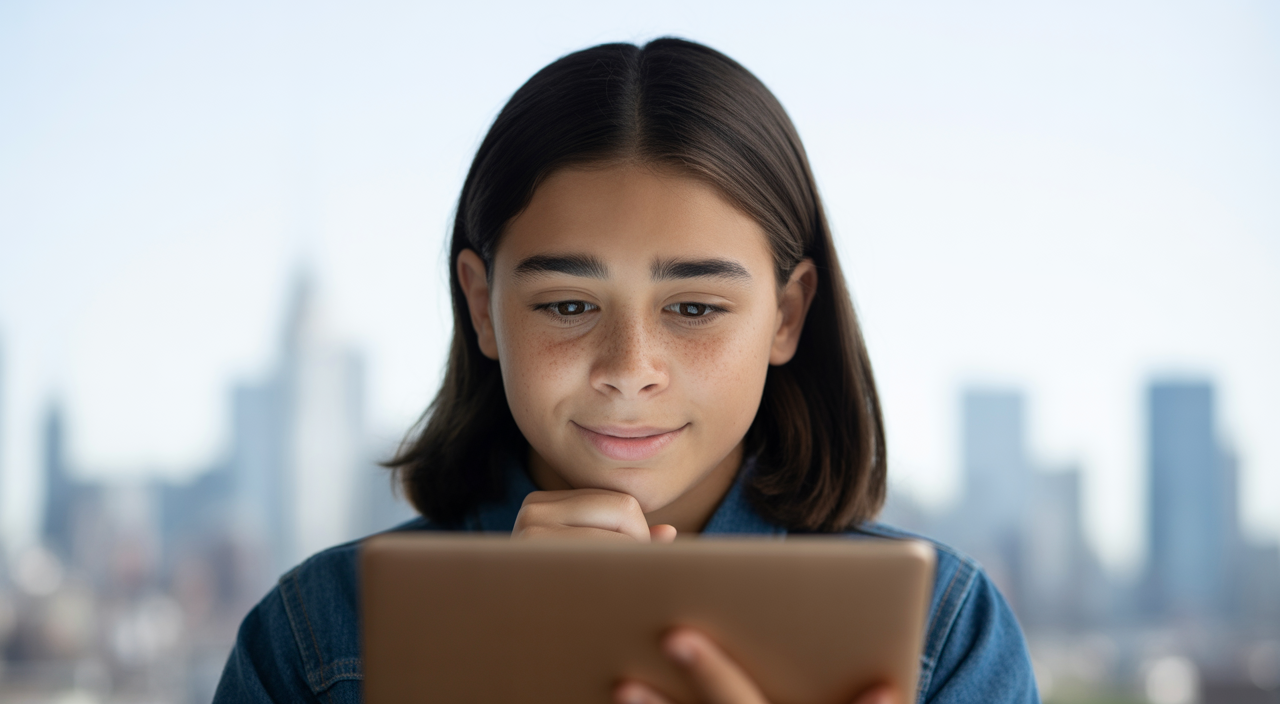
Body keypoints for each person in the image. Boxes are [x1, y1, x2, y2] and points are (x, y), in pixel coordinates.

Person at [213, 38, 1039, 704]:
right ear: (482, 306)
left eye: (696, 308)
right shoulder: (314, 642)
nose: (629, 371)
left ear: (787, 316)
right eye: (569, 305)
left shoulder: (944, 638)